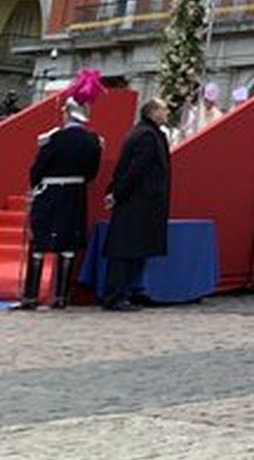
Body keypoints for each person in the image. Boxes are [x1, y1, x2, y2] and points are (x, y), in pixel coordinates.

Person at [19, 70, 105, 310]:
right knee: (68, 244)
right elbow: (92, 173)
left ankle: (31, 296)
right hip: (76, 194)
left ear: (67, 112)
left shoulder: (53, 139)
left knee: (39, 242)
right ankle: (61, 297)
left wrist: (36, 186)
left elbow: (37, 170)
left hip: (51, 193)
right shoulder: (93, 141)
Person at [102, 97, 173, 311]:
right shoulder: (146, 136)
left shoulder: (146, 133)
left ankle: (125, 292)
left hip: (139, 201)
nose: (167, 113)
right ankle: (116, 296)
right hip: (137, 201)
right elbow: (135, 169)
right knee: (125, 251)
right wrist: (117, 193)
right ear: (152, 112)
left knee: (134, 250)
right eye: (164, 109)